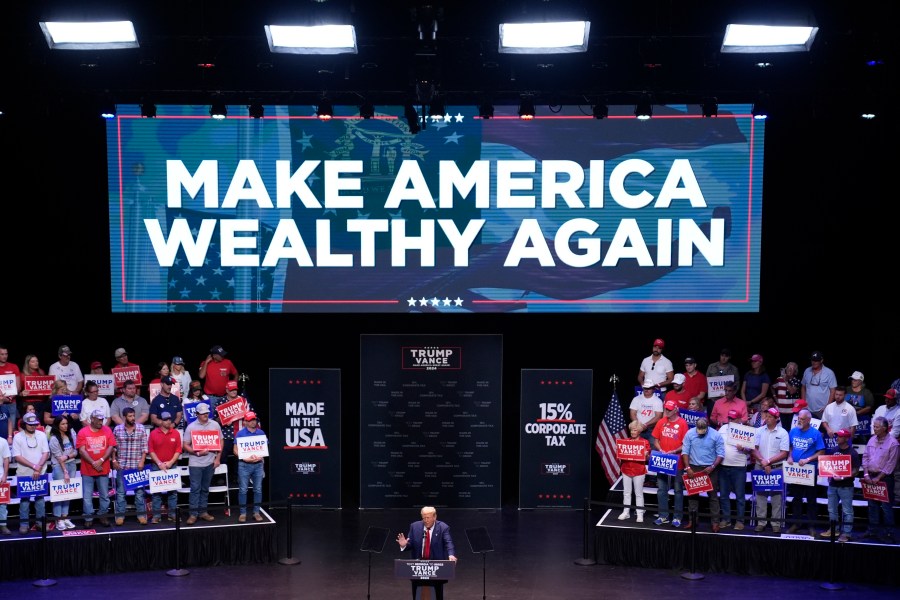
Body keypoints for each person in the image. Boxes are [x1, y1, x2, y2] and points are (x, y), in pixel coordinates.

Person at [396, 506, 458, 600]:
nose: (425, 520)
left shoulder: (442, 527)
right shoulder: (414, 526)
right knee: (417, 594)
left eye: (428, 517)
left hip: (436, 567)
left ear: (434, 517)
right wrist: (404, 545)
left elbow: (448, 543)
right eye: (423, 517)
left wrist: (451, 555)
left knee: (437, 595)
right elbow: (410, 545)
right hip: (418, 567)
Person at [786, 408, 825, 536]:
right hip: (795, 470)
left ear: (809, 420)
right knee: (796, 498)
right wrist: (790, 456)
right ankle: (796, 523)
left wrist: (808, 459)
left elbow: (821, 452)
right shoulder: (793, 431)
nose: (799, 421)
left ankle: (811, 525)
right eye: (798, 418)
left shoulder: (816, 433)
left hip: (809, 470)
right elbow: (790, 446)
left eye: (802, 419)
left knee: (811, 499)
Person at [681, 417, 725, 531]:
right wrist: (688, 467)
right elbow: (685, 452)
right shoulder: (690, 433)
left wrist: (712, 466)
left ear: (707, 426)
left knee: (713, 497)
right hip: (694, 467)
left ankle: (715, 522)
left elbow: (721, 454)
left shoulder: (716, 435)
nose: (700, 433)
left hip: (710, 468)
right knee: (693, 496)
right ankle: (692, 521)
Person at [752, 406, 790, 533]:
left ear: (776, 418)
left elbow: (784, 453)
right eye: (766, 416)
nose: (766, 418)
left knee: (776, 497)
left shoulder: (783, 433)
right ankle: (761, 522)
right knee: (760, 496)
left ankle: (775, 523)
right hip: (760, 465)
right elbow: (754, 449)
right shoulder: (759, 431)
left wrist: (768, 461)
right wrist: (763, 462)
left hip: (776, 467)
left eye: (769, 417)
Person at [183, 402, 222, 524]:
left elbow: (221, 441)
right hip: (195, 463)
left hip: (210, 462)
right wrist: (197, 453)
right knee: (195, 489)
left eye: (206, 412)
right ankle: (193, 514)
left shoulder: (215, 425)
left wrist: (218, 458)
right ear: (197, 414)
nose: (205, 415)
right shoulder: (191, 427)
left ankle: (203, 512)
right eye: (202, 413)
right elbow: (185, 445)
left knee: (205, 489)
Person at [861, 416, 899, 543]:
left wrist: (878, 478)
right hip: (870, 476)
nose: (874, 428)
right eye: (874, 426)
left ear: (884, 428)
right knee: (872, 505)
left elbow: (891, 464)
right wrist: (866, 474)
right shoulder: (871, 440)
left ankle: (889, 533)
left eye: (876, 427)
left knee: (886, 507)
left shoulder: (893, 443)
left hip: (885, 479)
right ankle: (873, 530)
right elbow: (865, 456)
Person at [652, 400, 689, 527]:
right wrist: (660, 449)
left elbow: (685, 443)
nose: (666, 411)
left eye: (669, 409)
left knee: (678, 490)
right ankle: (663, 516)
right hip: (662, 460)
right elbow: (655, 440)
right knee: (661, 489)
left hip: (677, 461)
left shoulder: (683, 423)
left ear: (675, 410)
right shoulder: (661, 422)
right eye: (665, 409)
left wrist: (674, 450)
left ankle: (677, 517)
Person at [77, 409, 117, 528]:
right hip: (87, 469)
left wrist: (100, 461)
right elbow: (81, 450)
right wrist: (93, 462)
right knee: (87, 495)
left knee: (104, 495)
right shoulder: (83, 432)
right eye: (99, 419)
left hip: (103, 468)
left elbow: (111, 446)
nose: (101, 422)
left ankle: (102, 515)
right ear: (92, 419)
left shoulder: (107, 430)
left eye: (102, 419)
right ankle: (88, 517)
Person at [11, 412, 49, 534]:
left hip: (40, 472)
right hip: (24, 473)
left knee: (40, 500)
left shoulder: (42, 435)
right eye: (30, 424)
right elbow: (17, 456)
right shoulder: (18, 437)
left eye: (35, 424)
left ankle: (40, 523)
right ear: (24, 424)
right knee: (24, 501)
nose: (33, 426)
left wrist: (38, 468)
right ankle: (24, 524)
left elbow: (46, 453)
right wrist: (34, 466)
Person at [820, 429, 859, 543]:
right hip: (833, 485)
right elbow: (829, 466)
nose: (837, 438)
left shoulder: (853, 453)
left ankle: (846, 533)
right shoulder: (833, 450)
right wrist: (828, 474)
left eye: (840, 437)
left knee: (847, 511)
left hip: (846, 486)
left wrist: (843, 477)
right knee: (832, 509)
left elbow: (856, 471)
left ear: (847, 439)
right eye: (837, 436)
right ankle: (834, 529)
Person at [112, 406, 150, 526]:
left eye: (133, 415)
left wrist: (142, 461)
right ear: (124, 417)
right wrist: (114, 460)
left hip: (136, 466)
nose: (133, 418)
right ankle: (120, 516)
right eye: (130, 416)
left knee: (139, 493)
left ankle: (141, 515)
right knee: (121, 493)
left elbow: (145, 447)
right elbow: (113, 447)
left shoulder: (141, 428)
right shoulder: (117, 430)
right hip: (122, 466)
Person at [717, 409, 751, 530]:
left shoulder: (745, 431)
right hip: (723, 465)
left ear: (739, 419)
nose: (730, 420)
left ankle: (740, 521)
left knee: (740, 496)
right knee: (724, 495)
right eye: (729, 418)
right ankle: (726, 519)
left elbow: (750, 450)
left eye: (733, 419)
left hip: (739, 467)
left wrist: (744, 449)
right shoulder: (723, 429)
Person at [148, 411, 181, 524]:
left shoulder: (176, 433)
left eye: (169, 419)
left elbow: (178, 450)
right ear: (161, 421)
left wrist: (171, 462)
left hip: (172, 465)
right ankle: (156, 516)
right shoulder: (153, 433)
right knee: (156, 493)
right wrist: (159, 463)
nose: (168, 421)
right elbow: (151, 450)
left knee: (173, 492)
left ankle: (172, 515)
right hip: (157, 466)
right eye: (166, 419)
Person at [48, 415, 78, 530]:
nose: (65, 426)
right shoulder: (54, 439)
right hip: (59, 467)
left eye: (66, 423)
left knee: (68, 493)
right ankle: (58, 520)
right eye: (62, 424)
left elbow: (76, 450)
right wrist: (65, 472)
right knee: (59, 493)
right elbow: (59, 459)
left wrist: (68, 455)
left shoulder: (71, 433)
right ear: (57, 425)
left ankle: (65, 517)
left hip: (72, 464)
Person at [235, 410, 266, 522]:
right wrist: (243, 457)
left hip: (258, 465)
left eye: (254, 420)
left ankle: (256, 512)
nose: (253, 422)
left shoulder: (261, 433)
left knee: (258, 489)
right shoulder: (240, 433)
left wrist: (261, 456)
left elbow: (264, 448)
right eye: (250, 420)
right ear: (245, 422)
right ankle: (243, 513)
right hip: (244, 465)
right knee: (243, 490)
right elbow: (235, 449)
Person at [618, 420, 650, 522]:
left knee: (638, 493)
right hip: (626, 469)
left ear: (639, 431)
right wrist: (619, 450)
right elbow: (620, 457)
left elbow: (648, 458)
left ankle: (639, 514)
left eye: (634, 430)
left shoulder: (645, 442)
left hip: (639, 470)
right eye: (631, 430)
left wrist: (646, 454)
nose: (632, 432)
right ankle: (626, 512)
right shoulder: (625, 441)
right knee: (626, 493)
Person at [800, 350, 836, 419]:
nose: (814, 362)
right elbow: (803, 387)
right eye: (812, 360)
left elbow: (833, 391)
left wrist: (828, 406)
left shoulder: (829, 373)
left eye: (816, 360)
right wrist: (803, 403)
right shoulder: (807, 371)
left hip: (822, 409)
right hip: (808, 408)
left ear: (821, 360)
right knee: (807, 429)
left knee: (823, 429)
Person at [706, 348, 741, 413]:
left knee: (725, 419)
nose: (723, 358)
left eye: (726, 356)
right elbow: (706, 382)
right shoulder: (711, 366)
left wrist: (731, 395)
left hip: (727, 400)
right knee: (711, 419)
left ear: (729, 357)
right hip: (713, 399)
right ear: (720, 356)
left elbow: (737, 384)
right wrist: (709, 394)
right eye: (722, 355)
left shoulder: (734, 369)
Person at [0, 344, 22, 446]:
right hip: (0, 403)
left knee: (11, 428)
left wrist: (10, 397)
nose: (4, 356)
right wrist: (2, 399)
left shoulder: (13, 367)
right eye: (2, 354)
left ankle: (10, 452)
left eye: (6, 354)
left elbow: (18, 387)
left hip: (11, 403)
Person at [18, 354, 47, 430]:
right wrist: (22, 393)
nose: (36, 363)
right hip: (28, 404)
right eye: (33, 361)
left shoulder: (42, 372)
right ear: (28, 363)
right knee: (30, 424)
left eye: (37, 361)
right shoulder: (22, 375)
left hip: (41, 403)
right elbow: (18, 392)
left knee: (39, 424)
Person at [630, 379, 663, 444]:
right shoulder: (636, 399)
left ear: (653, 389)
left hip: (652, 429)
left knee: (652, 448)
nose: (646, 390)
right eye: (645, 388)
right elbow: (632, 414)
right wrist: (638, 425)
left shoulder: (658, 401)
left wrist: (645, 425)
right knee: (637, 447)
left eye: (649, 388)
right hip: (638, 428)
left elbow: (658, 417)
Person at [772, 361, 801, 430]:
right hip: (781, 410)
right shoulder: (779, 379)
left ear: (795, 371)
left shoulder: (796, 380)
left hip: (792, 411)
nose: (789, 369)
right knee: (783, 429)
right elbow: (772, 387)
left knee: (791, 429)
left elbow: (792, 391)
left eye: (792, 368)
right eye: (788, 367)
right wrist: (775, 397)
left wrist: (785, 381)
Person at [0, 432, 10, 534]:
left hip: (0, 475)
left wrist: (5, 475)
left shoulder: (3, 441)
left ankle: (3, 525)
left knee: (2, 503)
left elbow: (6, 459)